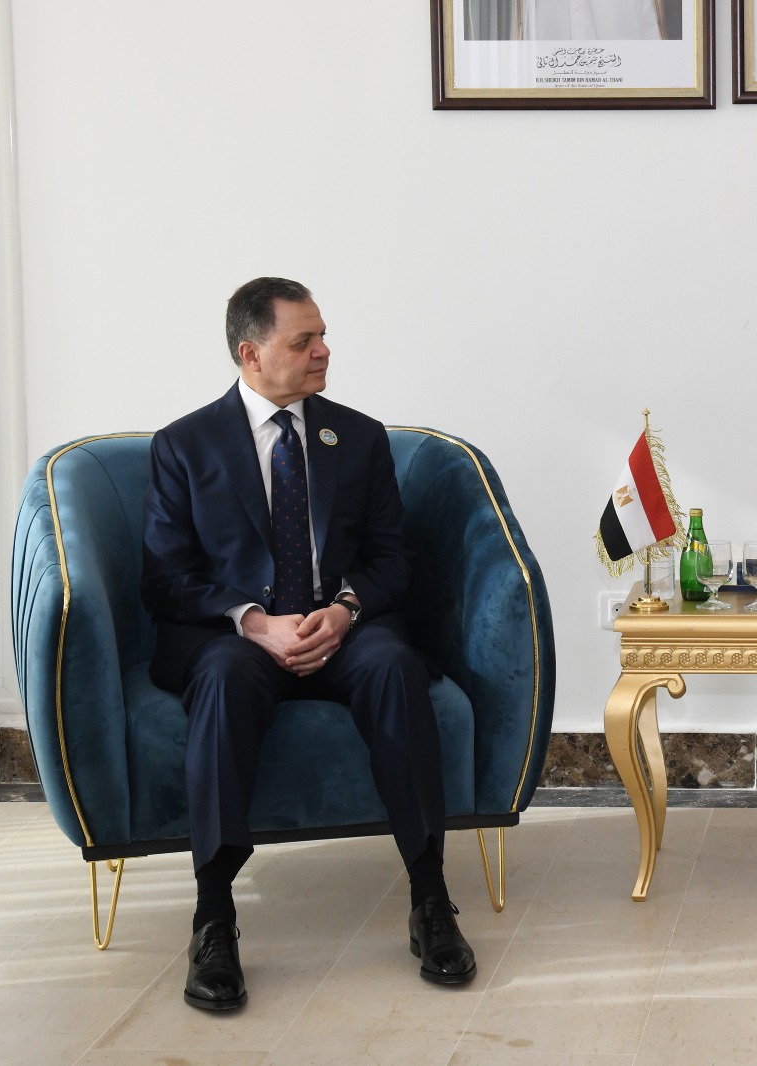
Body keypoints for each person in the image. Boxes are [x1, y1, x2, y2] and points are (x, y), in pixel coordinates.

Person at [142, 277, 475, 1011]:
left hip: (342, 629)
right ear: (251, 353)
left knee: (394, 666)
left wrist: (347, 609)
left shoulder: (357, 437)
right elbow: (165, 579)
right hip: (241, 638)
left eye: (322, 335)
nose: (324, 350)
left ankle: (430, 900)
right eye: (304, 340)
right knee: (223, 680)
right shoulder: (184, 446)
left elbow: (394, 559)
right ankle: (213, 919)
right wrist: (253, 620)